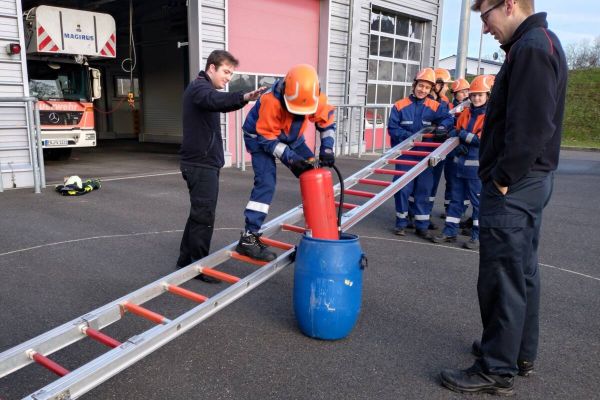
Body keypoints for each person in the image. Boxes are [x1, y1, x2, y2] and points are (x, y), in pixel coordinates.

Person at [440, 0, 567, 395]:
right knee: (522, 271)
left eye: (485, 15)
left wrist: (503, 178)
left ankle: (496, 368)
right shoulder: (538, 43)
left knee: (502, 276)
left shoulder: (531, 48)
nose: (484, 27)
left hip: (516, 184)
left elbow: (531, 125)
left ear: (509, 4)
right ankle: (516, 353)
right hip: (530, 182)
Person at [177, 50, 266, 282]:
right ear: (211, 68)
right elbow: (216, 101)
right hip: (200, 164)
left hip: (201, 163)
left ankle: (185, 262)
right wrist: (244, 97)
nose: (228, 77)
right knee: (204, 217)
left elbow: (219, 103)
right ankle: (198, 268)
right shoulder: (200, 89)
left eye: (231, 73)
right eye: (226, 72)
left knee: (198, 214)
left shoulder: (204, 89)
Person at [236, 64, 336, 261]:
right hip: (259, 138)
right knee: (266, 182)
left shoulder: (315, 97)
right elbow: (267, 139)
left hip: (292, 138)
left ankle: (318, 230)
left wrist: (327, 148)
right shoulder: (270, 101)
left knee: (313, 172)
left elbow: (326, 123)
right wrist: (291, 159)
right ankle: (248, 238)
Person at [387, 67, 453, 238]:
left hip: (426, 155)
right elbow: (393, 128)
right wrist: (410, 137)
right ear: (414, 85)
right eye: (420, 86)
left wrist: (443, 127)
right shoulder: (400, 106)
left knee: (424, 189)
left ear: (431, 89)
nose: (422, 90)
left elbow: (448, 118)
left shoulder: (435, 106)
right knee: (402, 188)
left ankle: (421, 225)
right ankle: (401, 222)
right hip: (405, 154)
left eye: (426, 87)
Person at [432, 74, 493, 250]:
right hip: (459, 165)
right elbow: (455, 131)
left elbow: (481, 140)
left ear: (487, 96)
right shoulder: (466, 112)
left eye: (480, 95)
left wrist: (461, 136)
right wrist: (456, 136)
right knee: (455, 201)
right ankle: (450, 232)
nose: (476, 98)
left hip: (476, 169)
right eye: (473, 95)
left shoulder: (489, 115)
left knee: (477, 204)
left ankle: (477, 236)